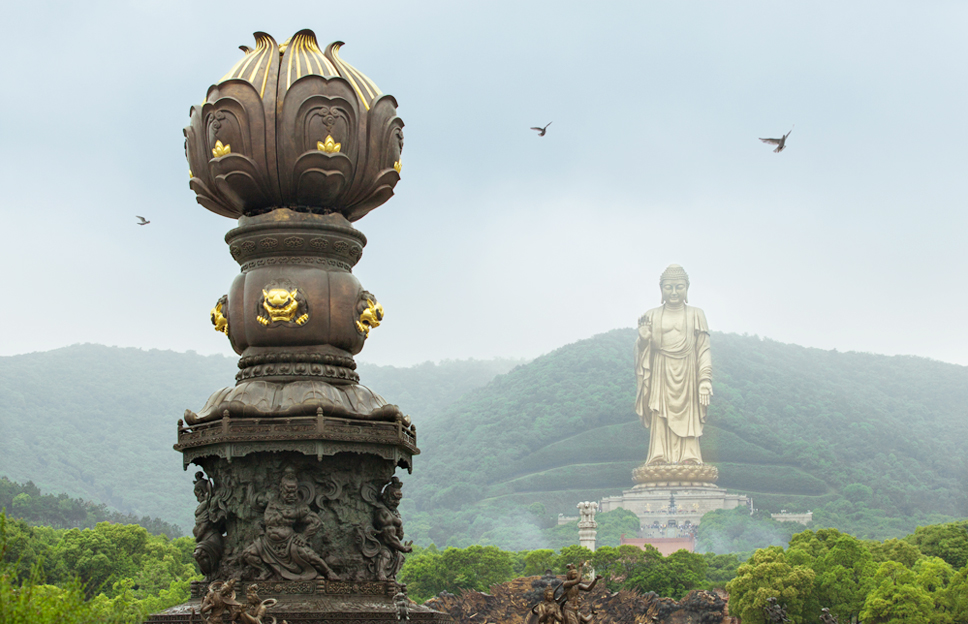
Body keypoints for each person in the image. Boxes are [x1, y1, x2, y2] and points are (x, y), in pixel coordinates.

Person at [634, 264, 712, 465]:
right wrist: (643, 340)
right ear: (661, 290)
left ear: (687, 288)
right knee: (659, 412)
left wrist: (704, 380)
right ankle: (658, 455)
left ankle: (690, 456)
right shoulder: (651, 315)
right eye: (669, 287)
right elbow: (643, 352)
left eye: (679, 287)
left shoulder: (697, 314)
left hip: (688, 371)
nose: (674, 292)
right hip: (660, 370)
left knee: (688, 414)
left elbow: (703, 349)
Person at [242, 468, 337, 580]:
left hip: (288, 542)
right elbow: (260, 507)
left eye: (294, 492)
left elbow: (316, 522)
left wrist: (304, 536)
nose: (291, 495)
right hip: (267, 542)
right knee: (248, 554)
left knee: (309, 556)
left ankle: (328, 571)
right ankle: (265, 571)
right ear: (281, 489)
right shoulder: (272, 503)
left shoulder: (299, 508)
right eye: (288, 492)